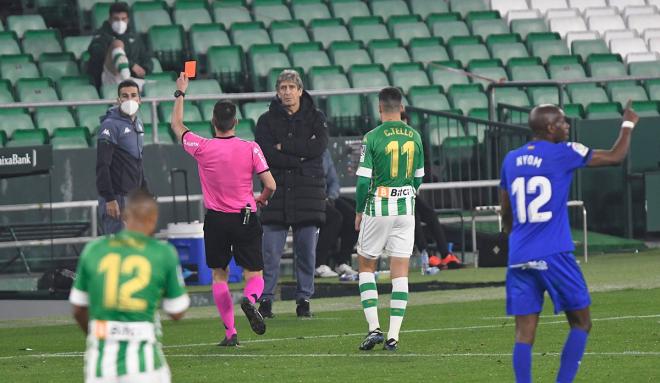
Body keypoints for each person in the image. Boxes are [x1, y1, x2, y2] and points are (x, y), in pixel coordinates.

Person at [499, 103, 638, 383]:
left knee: (524, 333)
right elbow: (615, 156)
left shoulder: (511, 159)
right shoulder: (564, 152)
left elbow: (505, 211)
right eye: (562, 122)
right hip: (554, 253)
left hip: (519, 254)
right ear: (550, 128)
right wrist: (628, 124)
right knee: (581, 322)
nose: (566, 126)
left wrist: (518, 239)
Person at [171, 73, 276, 346]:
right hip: (245, 216)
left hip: (216, 220)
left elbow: (176, 125)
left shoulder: (202, 147)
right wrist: (262, 198)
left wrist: (180, 92)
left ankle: (230, 334)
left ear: (213, 122)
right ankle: (251, 301)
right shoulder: (250, 148)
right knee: (254, 274)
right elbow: (271, 184)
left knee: (219, 274)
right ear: (236, 123)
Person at [69, 189, 190, 383]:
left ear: (125, 216)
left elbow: (77, 308)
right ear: (154, 217)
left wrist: (99, 333)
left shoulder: (94, 250)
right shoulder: (162, 253)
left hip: (100, 366)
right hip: (145, 367)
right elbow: (177, 311)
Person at [354, 87, 424, 352]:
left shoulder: (371, 137)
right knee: (400, 270)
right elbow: (418, 177)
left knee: (366, 265)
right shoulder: (415, 136)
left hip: (379, 205)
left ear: (380, 108)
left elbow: (362, 181)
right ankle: (394, 335)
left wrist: (360, 210)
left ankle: (374, 328)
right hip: (407, 207)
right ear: (401, 107)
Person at [255, 69, 328, 318]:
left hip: (308, 195)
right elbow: (265, 154)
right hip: (276, 195)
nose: (287, 92)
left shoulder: (316, 118)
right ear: (277, 92)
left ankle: (304, 299)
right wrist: (300, 156)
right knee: (270, 253)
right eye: (282, 88)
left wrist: (284, 147)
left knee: (306, 252)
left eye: (291, 87)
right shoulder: (265, 121)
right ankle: (265, 300)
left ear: (300, 90)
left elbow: (318, 147)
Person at [96, 79, 147, 235]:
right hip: (117, 199)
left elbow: (138, 162)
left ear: (140, 100)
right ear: (118, 100)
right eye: (125, 96)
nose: (129, 99)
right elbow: (102, 165)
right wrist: (110, 199)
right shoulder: (110, 125)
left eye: (133, 95)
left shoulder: (138, 124)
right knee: (117, 252)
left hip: (133, 198)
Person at [87, 2, 152, 88]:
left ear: (128, 19)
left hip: (134, 79)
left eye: (123, 19)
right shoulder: (100, 36)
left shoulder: (135, 37)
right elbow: (98, 54)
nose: (120, 22)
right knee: (117, 44)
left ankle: (128, 82)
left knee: (158, 87)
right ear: (110, 19)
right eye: (116, 19)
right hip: (109, 79)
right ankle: (127, 81)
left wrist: (145, 69)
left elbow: (146, 58)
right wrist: (131, 65)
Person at [315, 149, 359, 278]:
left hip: (328, 197)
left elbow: (333, 180)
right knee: (335, 218)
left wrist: (331, 197)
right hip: (310, 197)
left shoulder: (324, 151)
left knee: (354, 215)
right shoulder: (301, 148)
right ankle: (318, 264)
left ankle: (342, 262)